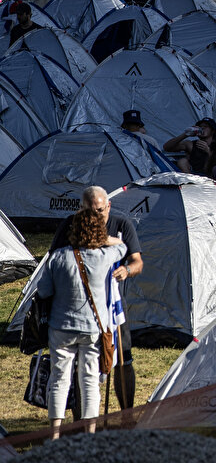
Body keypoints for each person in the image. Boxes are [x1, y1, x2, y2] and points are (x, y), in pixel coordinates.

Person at [48, 185, 142, 414]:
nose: (95, 216)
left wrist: (127, 271)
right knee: (82, 367)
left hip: (113, 305)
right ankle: (81, 422)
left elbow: (137, 260)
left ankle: (126, 415)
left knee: (123, 359)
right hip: (78, 308)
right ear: (81, 209)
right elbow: (54, 261)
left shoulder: (121, 225)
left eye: (100, 210)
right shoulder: (70, 226)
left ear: (108, 206)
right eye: (90, 211)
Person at [36, 206, 126, 438]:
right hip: (94, 327)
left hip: (61, 327)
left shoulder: (58, 257)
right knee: (89, 381)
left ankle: (55, 434)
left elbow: (43, 290)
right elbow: (123, 248)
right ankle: (90, 434)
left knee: (59, 380)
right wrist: (106, 239)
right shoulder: (106, 256)